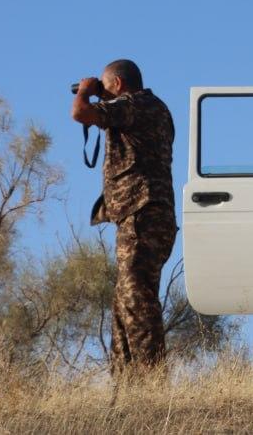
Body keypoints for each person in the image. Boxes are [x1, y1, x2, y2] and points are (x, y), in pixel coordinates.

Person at [72, 59, 176, 376]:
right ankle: (127, 383)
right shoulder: (150, 107)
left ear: (117, 84)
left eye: (105, 87)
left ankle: (151, 379)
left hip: (143, 213)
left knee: (136, 295)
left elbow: (80, 113)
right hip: (142, 215)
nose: (101, 93)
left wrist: (86, 92)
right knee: (124, 301)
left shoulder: (135, 104)